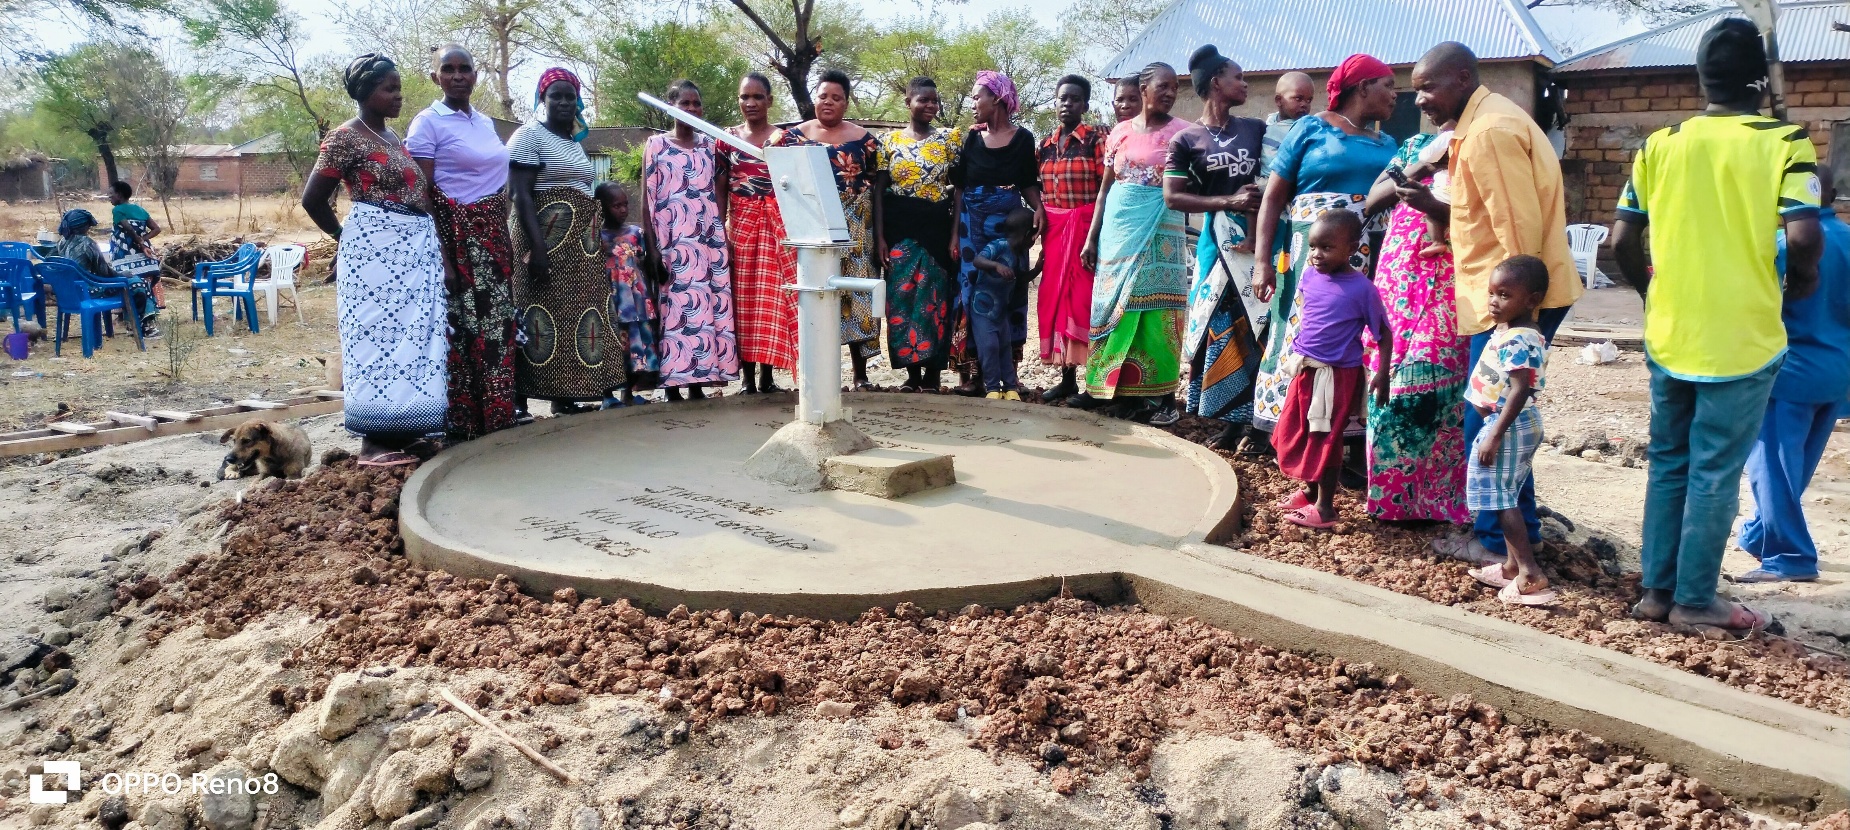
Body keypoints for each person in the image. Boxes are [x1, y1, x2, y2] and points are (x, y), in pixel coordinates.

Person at [1610, 18, 1823, 635]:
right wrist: (1801, 282)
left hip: (1670, 332)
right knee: (1714, 471)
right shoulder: (1785, 141)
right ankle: (1696, 600)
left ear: (1701, 79)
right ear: (1761, 82)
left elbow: (1622, 239)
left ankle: (1657, 592)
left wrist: (1652, 292)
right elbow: (1803, 237)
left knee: (1669, 463)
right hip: (1742, 338)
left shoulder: (1660, 143)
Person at [1406, 42, 1584, 563]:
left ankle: (1493, 543)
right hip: (1510, 298)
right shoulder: (1480, 124)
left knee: (1488, 418)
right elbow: (1484, 215)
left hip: (1512, 304)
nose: (1419, 100)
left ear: (1463, 79)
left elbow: (1517, 232)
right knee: (1500, 416)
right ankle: (1522, 538)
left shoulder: (1488, 132)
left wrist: (1514, 320)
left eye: (1428, 87)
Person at [301, 53, 448, 466]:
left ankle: (405, 431)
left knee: (411, 340)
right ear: (366, 92)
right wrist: (344, 238)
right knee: (374, 340)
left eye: (398, 88)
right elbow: (313, 199)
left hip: (412, 252)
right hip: (373, 252)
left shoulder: (392, 137)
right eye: (389, 89)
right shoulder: (345, 138)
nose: (398, 96)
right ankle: (373, 443)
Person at [1251, 55, 1399, 443]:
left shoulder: (1388, 143)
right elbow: (1273, 198)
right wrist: (1262, 261)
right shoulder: (1311, 128)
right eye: (1388, 85)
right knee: (1301, 327)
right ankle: (1288, 428)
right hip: (1309, 254)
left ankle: (1347, 432)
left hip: (1372, 253)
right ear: (1363, 87)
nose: (1395, 95)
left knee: (1356, 333)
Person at [1739, 163, 1850, 583]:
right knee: (1793, 468)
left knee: (1771, 466)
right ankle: (1759, 534)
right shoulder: (1848, 239)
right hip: (1837, 371)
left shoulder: (1783, 245)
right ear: (1833, 195)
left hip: (1789, 372)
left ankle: (1791, 557)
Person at [405, 44, 518, 444]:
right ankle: (464, 423)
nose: (457, 76)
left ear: (475, 75)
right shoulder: (427, 123)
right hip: (455, 241)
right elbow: (423, 194)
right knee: (462, 328)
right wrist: (444, 259)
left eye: (464, 68)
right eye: (448, 69)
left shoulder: (484, 123)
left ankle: (497, 416)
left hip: (493, 238)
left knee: (496, 327)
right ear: (435, 77)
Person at [1359, 128, 1469, 524]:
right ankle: (1392, 501)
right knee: (1387, 378)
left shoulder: (1481, 146)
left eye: (1428, 95)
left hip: (1451, 278)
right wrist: (1424, 164)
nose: (1421, 101)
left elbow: (1490, 217)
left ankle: (1438, 500)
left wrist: (1435, 206)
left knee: (1435, 384)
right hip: (1400, 277)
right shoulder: (1413, 146)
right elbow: (1373, 200)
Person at [1072, 62, 1191, 423]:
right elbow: (1105, 189)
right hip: (1118, 229)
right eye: (1163, 86)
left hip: (1161, 229)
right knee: (1112, 306)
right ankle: (1116, 391)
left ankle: (1161, 398)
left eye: (1175, 87)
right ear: (1144, 88)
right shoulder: (1120, 132)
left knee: (1157, 309)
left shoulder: (1184, 133)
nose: (1170, 93)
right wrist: (1092, 237)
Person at [507, 67, 625, 414]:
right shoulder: (528, 136)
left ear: (578, 102)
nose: (563, 102)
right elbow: (520, 195)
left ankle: (564, 397)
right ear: (541, 99)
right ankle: (520, 401)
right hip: (542, 243)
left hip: (577, 250)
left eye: (569, 96)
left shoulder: (573, 142)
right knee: (533, 315)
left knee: (569, 317)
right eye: (555, 95)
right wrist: (538, 249)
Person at [1167, 45, 1266, 450]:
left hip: (1260, 239)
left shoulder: (1256, 130)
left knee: (1259, 323)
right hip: (1216, 242)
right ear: (1215, 83)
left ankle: (1260, 422)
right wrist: (1229, 200)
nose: (1244, 84)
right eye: (1237, 77)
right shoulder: (1186, 140)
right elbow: (1173, 196)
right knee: (1220, 324)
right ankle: (1229, 418)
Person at [1271, 210, 1389, 530]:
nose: (1316, 255)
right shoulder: (1310, 276)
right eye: (1312, 247)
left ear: (1351, 248)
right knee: (1299, 430)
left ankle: (1325, 507)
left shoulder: (1362, 289)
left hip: (1336, 375)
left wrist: (1382, 373)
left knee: (1326, 437)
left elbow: (1383, 333)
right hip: (1307, 369)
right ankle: (1310, 493)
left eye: (1326, 248)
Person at [770, 69, 884, 388]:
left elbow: (877, 186)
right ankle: (820, 376)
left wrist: (877, 233)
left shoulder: (865, 141)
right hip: (813, 224)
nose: (829, 102)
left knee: (858, 296)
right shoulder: (791, 137)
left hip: (857, 227)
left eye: (836, 97)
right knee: (818, 294)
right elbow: (777, 173)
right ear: (814, 99)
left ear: (846, 103)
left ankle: (860, 374)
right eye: (823, 96)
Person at [1464, 256, 1554, 605]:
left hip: (1508, 425)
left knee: (1501, 499)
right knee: (1506, 494)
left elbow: (1520, 389)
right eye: (1491, 293)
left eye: (1504, 295)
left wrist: (1495, 434)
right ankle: (1511, 567)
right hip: (1510, 424)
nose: (1493, 301)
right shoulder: (1514, 331)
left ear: (1532, 300)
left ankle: (1530, 574)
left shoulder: (1518, 338)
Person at [643, 80, 741, 401]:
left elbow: (720, 194)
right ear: (670, 107)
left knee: (704, 309)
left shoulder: (710, 147)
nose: (692, 109)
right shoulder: (656, 145)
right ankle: (672, 386)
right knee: (673, 310)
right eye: (684, 103)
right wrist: (652, 250)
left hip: (706, 244)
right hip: (671, 244)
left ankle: (699, 382)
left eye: (696, 103)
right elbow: (647, 199)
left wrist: (721, 235)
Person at [951, 70, 1042, 396]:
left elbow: (1027, 182)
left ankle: (1009, 374)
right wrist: (954, 235)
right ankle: (973, 373)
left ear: (998, 99)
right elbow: (960, 188)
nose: (973, 103)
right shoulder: (972, 139)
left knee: (1011, 290)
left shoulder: (1023, 139)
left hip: (1010, 226)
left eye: (978, 97)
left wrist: (1039, 209)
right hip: (971, 226)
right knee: (970, 292)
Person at [879, 76, 962, 391]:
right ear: (908, 102)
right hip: (899, 231)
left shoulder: (948, 140)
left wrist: (954, 234)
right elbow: (879, 192)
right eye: (923, 100)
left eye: (934, 101)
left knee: (934, 300)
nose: (930, 105)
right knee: (901, 301)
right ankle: (911, 374)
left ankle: (933, 374)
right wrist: (880, 238)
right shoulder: (889, 142)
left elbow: (959, 189)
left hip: (936, 230)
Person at [1036, 74, 1108, 402]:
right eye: (1063, 98)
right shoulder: (1044, 146)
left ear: (1085, 105)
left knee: (1084, 302)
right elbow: (1038, 191)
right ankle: (1067, 380)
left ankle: (1095, 382)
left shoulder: (1095, 141)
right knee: (1055, 300)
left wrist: (1093, 234)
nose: (1067, 104)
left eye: (1075, 99)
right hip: (1055, 232)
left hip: (1086, 232)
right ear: (1055, 102)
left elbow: (1106, 190)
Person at [723, 72, 795, 395]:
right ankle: (747, 379)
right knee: (743, 301)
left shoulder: (784, 140)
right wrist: (721, 227)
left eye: (757, 97)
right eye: (744, 97)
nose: (750, 103)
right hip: (741, 225)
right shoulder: (726, 139)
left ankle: (767, 377)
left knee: (771, 301)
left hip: (775, 226)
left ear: (769, 100)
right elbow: (720, 186)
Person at [594, 181, 661, 407]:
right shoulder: (597, 237)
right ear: (601, 207)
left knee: (635, 345)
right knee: (613, 346)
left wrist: (650, 297)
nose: (623, 210)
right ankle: (607, 396)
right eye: (616, 206)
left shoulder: (636, 233)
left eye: (625, 204)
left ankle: (629, 393)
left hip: (636, 300)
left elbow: (643, 264)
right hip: (612, 300)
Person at [54, 208, 159, 338]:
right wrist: (124, 275)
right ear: (85, 226)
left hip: (69, 291)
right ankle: (140, 326)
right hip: (89, 291)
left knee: (133, 281)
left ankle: (134, 324)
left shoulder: (61, 243)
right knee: (137, 283)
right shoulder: (87, 243)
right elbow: (105, 273)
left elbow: (49, 261)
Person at [971, 207, 1039, 400]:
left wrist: (1038, 268)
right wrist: (996, 265)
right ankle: (992, 387)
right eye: (1034, 237)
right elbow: (977, 260)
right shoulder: (999, 245)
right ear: (1027, 234)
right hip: (982, 310)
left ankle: (1010, 388)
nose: (1033, 242)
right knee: (989, 347)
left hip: (1001, 312)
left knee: (1004, 348)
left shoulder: (1019, 255)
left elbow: (1021, 278)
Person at [107, 181, 164, 307]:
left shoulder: (117, 210)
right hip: (145, 254)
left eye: (111, 194)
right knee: (146, 282)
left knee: (128, 284)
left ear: (119, 195)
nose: (109, 197)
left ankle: (129, 312)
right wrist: (143, 240)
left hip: (124, 253)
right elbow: (156, 229)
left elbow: (128, 229)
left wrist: (139, 241)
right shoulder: (140, 210)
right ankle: (149, 309)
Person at [1260, 72, 1315, 185]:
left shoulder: (1307, 129)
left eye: (1309, 100)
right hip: (1264, 183)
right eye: (1298, 98)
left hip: (1290, 185)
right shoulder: (1269, 123)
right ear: (1278, 100)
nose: (1304, 104)